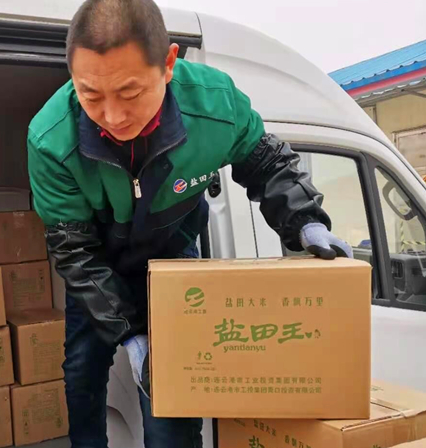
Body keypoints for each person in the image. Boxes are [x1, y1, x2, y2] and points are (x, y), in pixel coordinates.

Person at [27, 0, 352, 446]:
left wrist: (305, 222)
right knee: (83, 372)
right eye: (91, 96)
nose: (113, 116)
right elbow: (74, 251)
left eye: (129, 93)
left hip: (172, 257)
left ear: (168, 64)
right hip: (96, 266)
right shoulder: (50, 140)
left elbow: (267, 163)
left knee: (172, 398)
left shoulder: (215, 106)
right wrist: (131, 333)